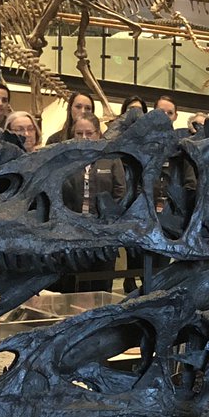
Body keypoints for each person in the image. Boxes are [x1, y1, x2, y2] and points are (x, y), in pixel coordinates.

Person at [58, 115, 127, 292]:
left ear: (98, 133)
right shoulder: (65, 160)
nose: (84, 137)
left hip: (104, 232)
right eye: (79, 133)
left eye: (89, 133)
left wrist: (108, 220)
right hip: (74, 232)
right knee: (76, 283)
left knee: (101, 283)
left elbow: (120, 191)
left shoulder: (111, 158)